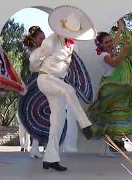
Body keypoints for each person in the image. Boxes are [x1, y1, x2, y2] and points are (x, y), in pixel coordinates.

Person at [29, 5, 96, 171]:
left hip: (57, 81)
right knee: (69, 90)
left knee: (58, 122)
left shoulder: (69, 44)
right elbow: (34, 60)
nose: (72, 36)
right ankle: (85, 125)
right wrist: (38, 67)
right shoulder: (51, 40)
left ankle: (50, 158)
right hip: (45, 79)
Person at [89, 19, 132, 152]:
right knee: (114, 115)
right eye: (106, 42)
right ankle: (115, 143)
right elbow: (114, 63)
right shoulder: (103, 55)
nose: (110, 43)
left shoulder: (110, 49)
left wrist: (120, 28)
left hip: (118, 87)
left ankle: (118, 142)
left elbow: (117, 39)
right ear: (101, 45)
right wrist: (125, 50)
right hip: (109, 88)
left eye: (110, 41)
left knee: (121, 113)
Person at [20, 25, 45, 158]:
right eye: (41, 38)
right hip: (38, 83)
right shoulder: (37, 52)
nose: (44, 40)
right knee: (38, 115)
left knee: (40, 115)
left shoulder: (40, 50)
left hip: (40, 81)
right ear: (35, 40)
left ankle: (35, 147)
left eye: (44, 38)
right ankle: (34, 147)